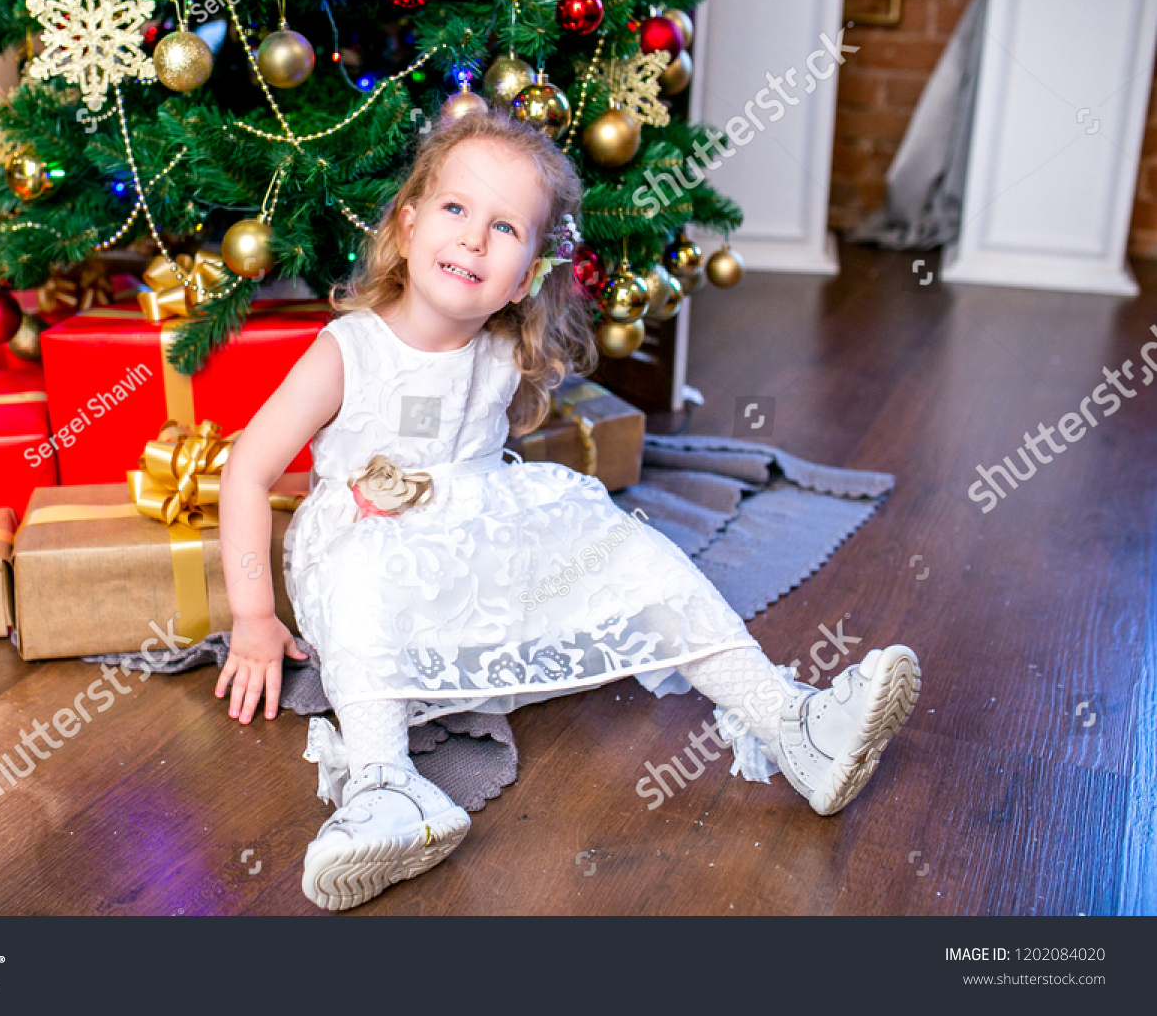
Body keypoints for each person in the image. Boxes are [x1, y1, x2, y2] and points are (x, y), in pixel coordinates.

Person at [216, 109, 921, 912]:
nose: (474, 238)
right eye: (454, 209)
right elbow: (247, 471)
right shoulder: (351, 351)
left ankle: (793, 723)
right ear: (406, 227)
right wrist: (252, 617)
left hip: (477, 547)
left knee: (631, 548)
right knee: (369, 577)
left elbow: (499, 502)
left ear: (523, 278)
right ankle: (384, 789)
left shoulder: (498, 350)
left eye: (504, 225)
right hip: (367, 547)